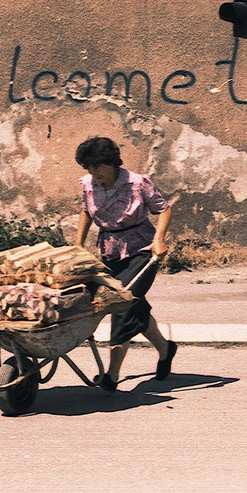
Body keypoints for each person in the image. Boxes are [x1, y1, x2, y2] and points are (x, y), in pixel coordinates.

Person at [74, 136, 178, 392]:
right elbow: (86, 211)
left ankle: (112, 375)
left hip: (142, 251)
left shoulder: (137, 182)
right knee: (135, 306)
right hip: (109, 252)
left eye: (96, 167)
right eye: (88, 168)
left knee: (120, 305)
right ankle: (166, 349)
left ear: (110, 163)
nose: (92, 173)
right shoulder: (88, 184)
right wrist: (78, 245)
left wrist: (159, 239)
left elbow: (163, 209)